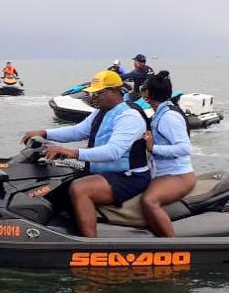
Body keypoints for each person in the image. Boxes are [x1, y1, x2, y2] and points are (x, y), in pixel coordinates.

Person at [20, 71, 151, 237]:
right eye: (92, 93)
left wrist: (71, 152)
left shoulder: (129, 116)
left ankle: (90, 243)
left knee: (81, 189)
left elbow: (114, 151)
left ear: (113, 91)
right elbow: (78, 131)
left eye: (98, 93)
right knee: (59, 182)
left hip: (129, 176)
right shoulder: (101, 112)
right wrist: (44, 133)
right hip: (105, 173)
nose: (93, 97)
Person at [140, 71, 195, 237]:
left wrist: (153, 148)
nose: (143, 94)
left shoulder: (169, 117)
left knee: (149, 201)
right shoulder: (159, 113)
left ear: (149, 94)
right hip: (163, 174)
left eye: (144, 90)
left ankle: (171, 244)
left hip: (178, 175)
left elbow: (184, 148)